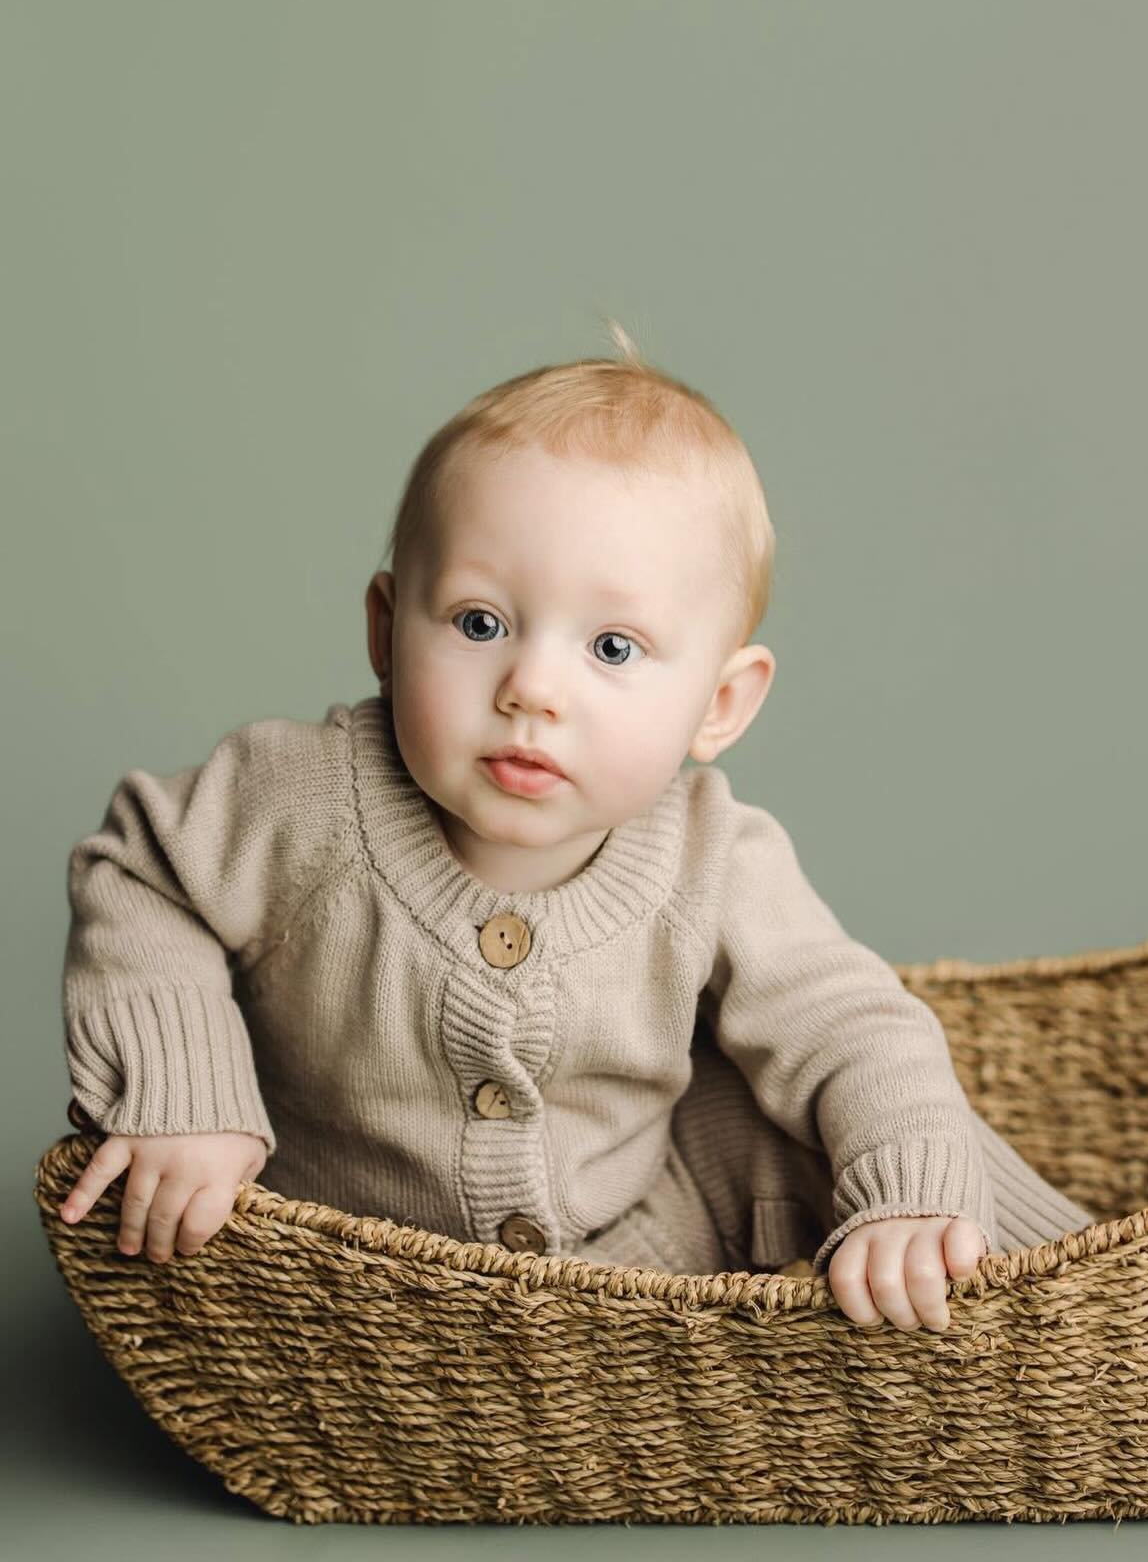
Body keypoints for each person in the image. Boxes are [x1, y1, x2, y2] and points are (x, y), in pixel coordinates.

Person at [59, 321, 1095, 1334]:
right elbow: (140, 871)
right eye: (478, 624)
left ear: (720, 705)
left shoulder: (712, 855)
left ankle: (1084, 1296)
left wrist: (910, 1190)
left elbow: (850, 1026)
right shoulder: (303, 797)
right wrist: (186, 1095)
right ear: (385, 629)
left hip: (643, 1252)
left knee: (848, 1120)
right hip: (349, 1275)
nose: (532, 688)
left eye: (611, 646)